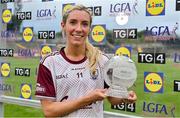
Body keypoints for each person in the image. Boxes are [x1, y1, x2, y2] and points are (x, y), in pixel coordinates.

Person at [35, 4, 137, 117]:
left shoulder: (102, 60)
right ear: (63, 26)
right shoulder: (49, 63)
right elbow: (49, 111)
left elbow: (113, 99)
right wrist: (87, 99)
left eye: (84, 24)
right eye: (73, 22)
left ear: (89, 29)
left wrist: (124, 97)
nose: (79, 29)